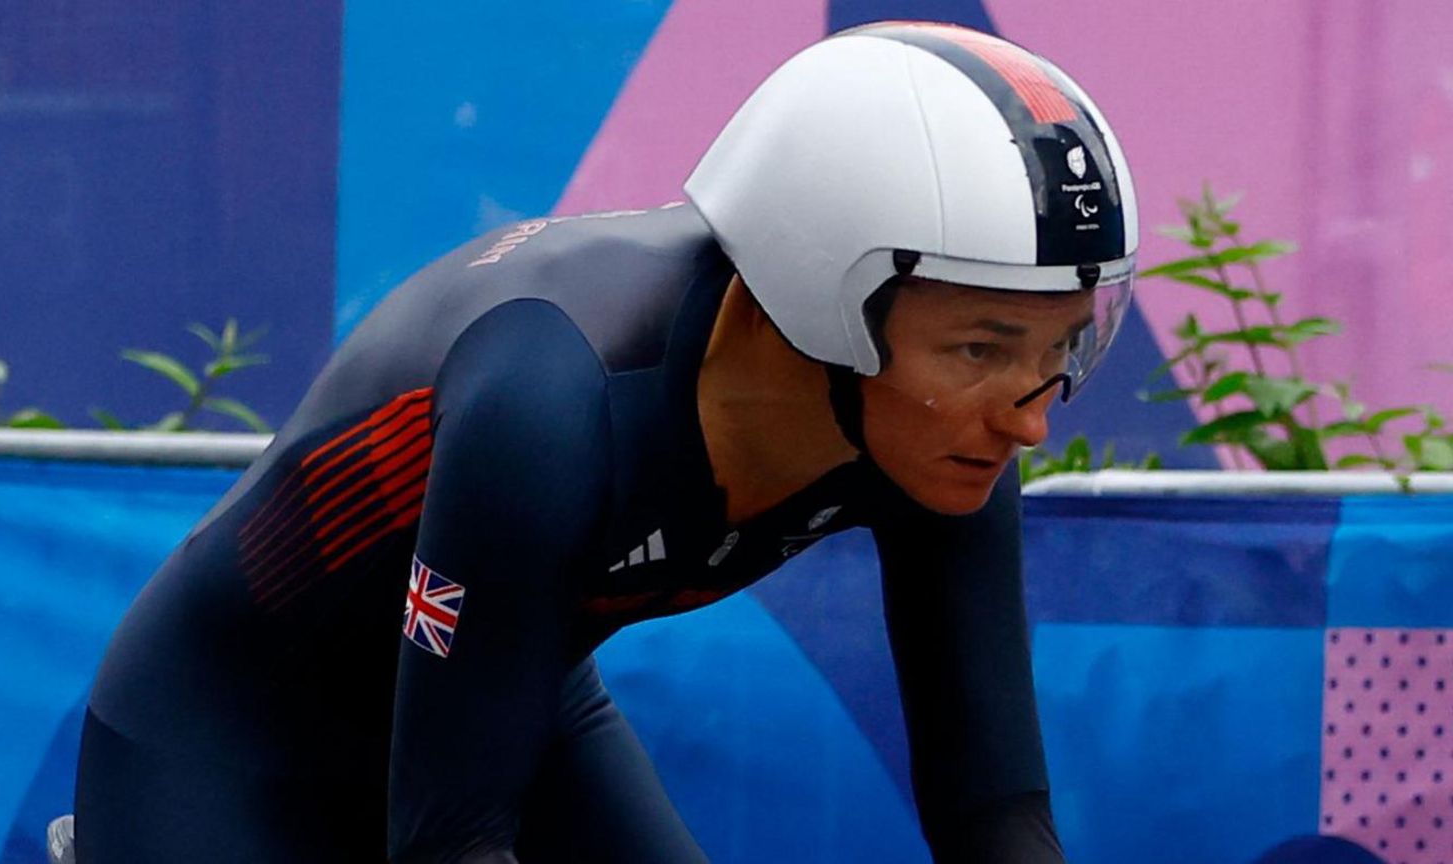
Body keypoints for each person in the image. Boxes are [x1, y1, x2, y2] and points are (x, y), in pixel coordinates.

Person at [71, 20, 1137, 863]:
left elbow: (996, 818)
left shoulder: (950, 432)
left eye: (1059, 351)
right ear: (821, 296)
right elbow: (450, 844)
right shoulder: (552, 397)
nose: (1029, 413)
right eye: (982, 348)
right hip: (221, 731)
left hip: (505, 699)